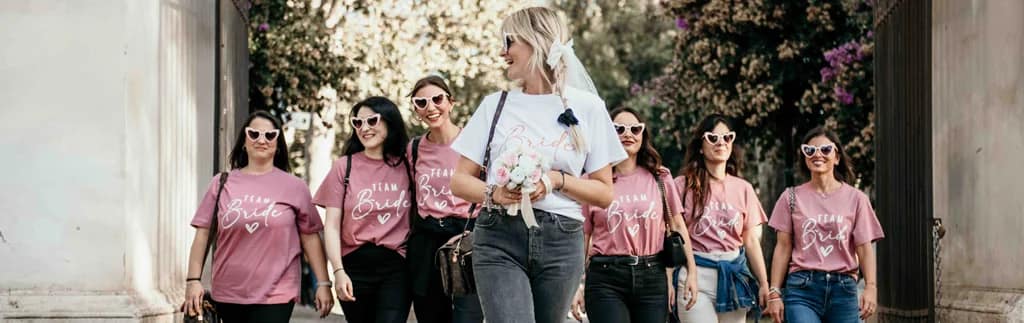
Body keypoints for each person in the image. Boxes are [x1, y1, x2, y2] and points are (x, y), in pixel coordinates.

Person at [449, 6, 627, 323]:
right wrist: (495, 193)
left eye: (509, 42)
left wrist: (558, 180)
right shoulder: (494, 105)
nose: (502, 52)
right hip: (498, 236)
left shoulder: (587, 107)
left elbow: (604, 193)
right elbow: (459, 181)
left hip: (562, 241)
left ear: (534, 42)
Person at [183, 111, 333, 322]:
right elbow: (203, 234)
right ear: (244, 141)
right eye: (254, 134)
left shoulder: (295, 187)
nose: (261, 140)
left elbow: (310, 237)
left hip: (277, 292)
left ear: (278, 143)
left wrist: (324, 284)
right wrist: (193, 280)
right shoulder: (222, 183)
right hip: (228, 292)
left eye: (269, 135)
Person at [570, 107, 699, 323]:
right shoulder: (590, 182)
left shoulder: (660, 177)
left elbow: (677, 225)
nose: (627, 134)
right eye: (618, 129)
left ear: (643, 135)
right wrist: (574, 286)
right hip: (605, 278)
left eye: (635, 129)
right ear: (608, 135)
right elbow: (582, 237)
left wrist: (692, 272)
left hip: (652, 277)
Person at [763, 126, 884, 323]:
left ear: (836, 157)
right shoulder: (791, 197)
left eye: (825, 150)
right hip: (802, 289)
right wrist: (775, 292)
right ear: (804, 157)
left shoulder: (857, 199)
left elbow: (864, 248)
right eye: (809, 150)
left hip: (844, 289)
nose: (817, 155)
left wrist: (871, 287)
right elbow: (783, 247)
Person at [314, 97, 414, 323]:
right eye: (358, 123)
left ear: (389, 121)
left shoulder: (407, 164)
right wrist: (338, 272)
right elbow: (330, 226)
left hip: (396, 266)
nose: (364, 128)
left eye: (372, 120)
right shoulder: (344, 166)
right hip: (354, 266)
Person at [673, 114, 770, 322]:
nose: (721, 143)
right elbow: (672, 234)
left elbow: (751, 241)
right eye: (712, 138)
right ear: (701, 146)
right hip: (695, 274)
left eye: (727, 138)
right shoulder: (681, 185)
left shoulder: (743, 188)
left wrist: (764, 283)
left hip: (733, 275)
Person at [405, 75, 484, 323]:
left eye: (437, 99)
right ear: (416, 109)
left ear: (451, 102)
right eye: (421, 102)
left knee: (468, 318)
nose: (430, 107)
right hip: (426, 242)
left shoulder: (474, 143)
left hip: (465, 239)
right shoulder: (414, 148)